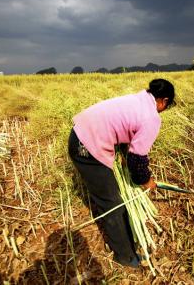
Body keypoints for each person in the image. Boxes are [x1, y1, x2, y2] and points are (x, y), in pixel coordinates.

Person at [68, 78, 175, 267]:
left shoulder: (138, 99)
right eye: (167, 106)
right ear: (163, 101)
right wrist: (145, 181)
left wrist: (125, 154)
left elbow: (125, 125)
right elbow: (138, 160)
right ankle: (125, 256)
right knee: (112, 204)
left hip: (80, 133)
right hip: (86, 146)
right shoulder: (152, 117)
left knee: (111, 197)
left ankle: (127, 246)